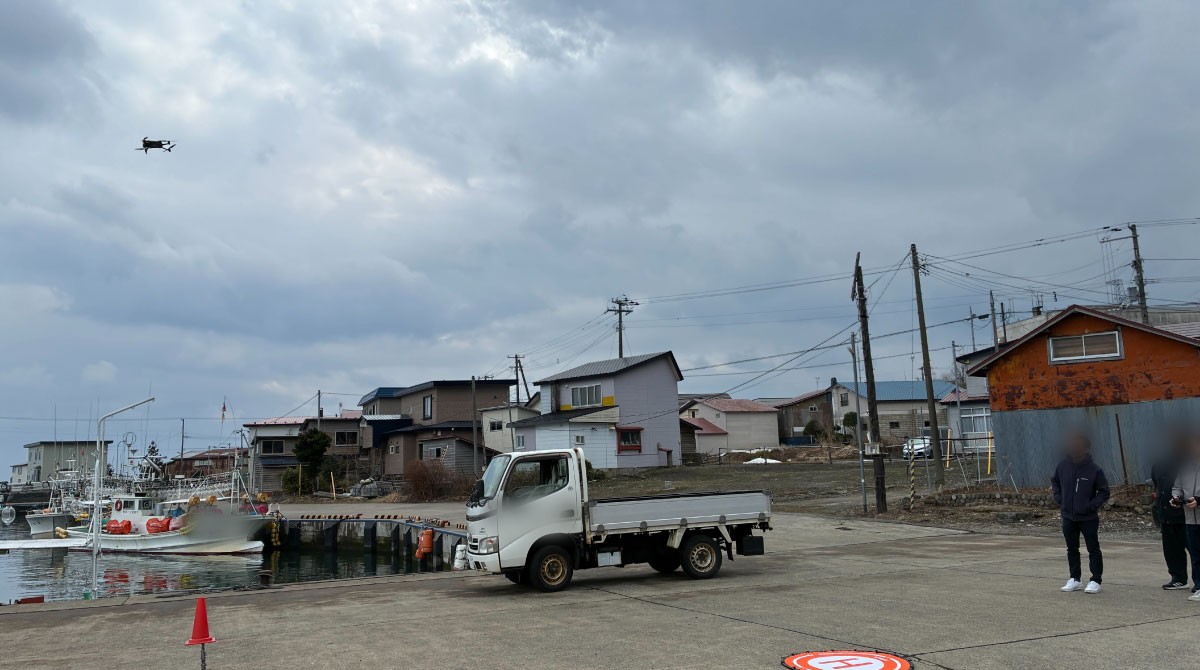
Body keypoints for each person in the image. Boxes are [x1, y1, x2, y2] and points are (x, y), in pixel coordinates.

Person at [1052, 433, 1110, 594]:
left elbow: (1104, 492)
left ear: (1086, 449)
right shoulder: (1062, 466)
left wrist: (1091, 506)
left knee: (1093, 549)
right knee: (1072, 548)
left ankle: (1095, 580)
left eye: (1077, 446)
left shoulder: (1094, 470)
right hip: (1068, 516)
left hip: (1088, 517)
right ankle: (1074, 579)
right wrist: (1059, 498)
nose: (1073, 448)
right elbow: (1055, 481)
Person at [1152, 439, 1190, 590]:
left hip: (1188, 516)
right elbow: (1157, 486)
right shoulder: (1159, 465)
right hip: (1166, 515)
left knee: (1195, 549)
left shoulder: (1191, 465)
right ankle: (1178, 578)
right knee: (1172, 550)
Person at [1170, 433, 1200, 602]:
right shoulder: (1186, 467)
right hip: (1190, 519)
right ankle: (1199, 586)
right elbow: (1177, 486)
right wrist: (1176, 497)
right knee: (1196, 555)